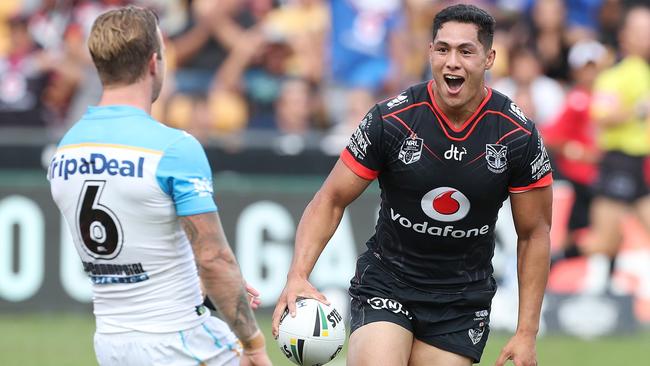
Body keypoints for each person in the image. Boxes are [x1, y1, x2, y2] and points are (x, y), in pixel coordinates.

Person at [272, 4, 553, 366]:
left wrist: (526, 332)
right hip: (387, 282)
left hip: (461, 301)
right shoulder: (391, 119)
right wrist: (297, 275)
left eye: (466, 51)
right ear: (429, 52)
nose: (452, 61)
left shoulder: (517, 135)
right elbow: (330, 199)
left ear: (489, 58)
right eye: (442, 49)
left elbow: (534, 234)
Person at [47, 6, 271, 366]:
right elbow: (213, 258)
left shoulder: (66, 148)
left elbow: (129, 249)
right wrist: (253, 344)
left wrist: (199, 285)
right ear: (154, 63)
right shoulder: (175, 148)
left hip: (111, 342)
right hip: (179, 340)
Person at [578, 4, 650, 294]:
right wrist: (636, 111)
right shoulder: (614, 75)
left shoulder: (644, 72)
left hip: (642, 164)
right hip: (619, 161)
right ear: (625, 36)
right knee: (603, 242)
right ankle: (556, 266)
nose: (646, 37)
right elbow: (601, 115)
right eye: (640, 31)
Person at [542, 40, 606, 269]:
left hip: (604, 176)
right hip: (583, 179)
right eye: (585, 68)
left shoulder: (609, 97)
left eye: (594, 67)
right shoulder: (576, 100)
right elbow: (550, 136)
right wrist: (576, 151)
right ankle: (556, 264)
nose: (591, 74)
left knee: (604, 233)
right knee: (586, 232)